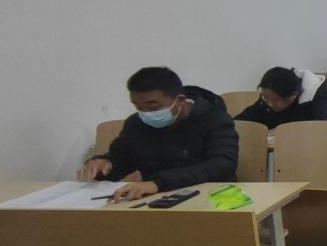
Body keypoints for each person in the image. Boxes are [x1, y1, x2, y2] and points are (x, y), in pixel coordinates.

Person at [77, 67, 237, 202]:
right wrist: (104, 166)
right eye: (138, 107)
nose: (146, 114)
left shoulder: (214, 118)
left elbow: (222, 164)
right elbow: (123, 158)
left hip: (212, 198)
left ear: (180, 100)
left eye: (153, 107)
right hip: (156, 200)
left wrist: (157, 183)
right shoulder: (136, 124)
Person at [236, 67, 327, 128]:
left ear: (293, 96)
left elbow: (324, 130)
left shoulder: (317, 97)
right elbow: (242, 121)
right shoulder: (268, 99)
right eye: (265, 98)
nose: (269, 104)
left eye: (275, 101)